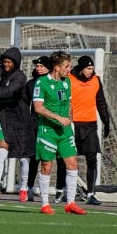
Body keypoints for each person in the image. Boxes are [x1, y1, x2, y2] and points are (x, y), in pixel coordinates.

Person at [33, 51, 87, 215]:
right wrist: (58, 118)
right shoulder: (41, 83)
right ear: (56, 68)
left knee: (72, 164)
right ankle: (44, 204)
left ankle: (70, 203)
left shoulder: (67, 82)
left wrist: (70, 120)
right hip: (47, 131)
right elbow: (38, 108)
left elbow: (69, 103)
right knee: (47, 167)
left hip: (65, 132)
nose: (69, 69)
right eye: (67, 66)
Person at [55, 55, 111, 206]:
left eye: (92, 68)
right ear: (80, 68)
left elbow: (101, 102)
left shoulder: (96, 80)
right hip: (72, 125)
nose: (90, 71)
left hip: (90, 125)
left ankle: (91, 193)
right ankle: (60, 190)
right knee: (64, 160)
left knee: (92, 159)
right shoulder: (69, 79)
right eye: (88, 68)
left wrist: (106, 121)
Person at [0, 47, 33, 202]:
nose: (6, 64)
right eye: (4, 61)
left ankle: (23, 188)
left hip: (21, 121)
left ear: (16, 63)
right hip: (5, 119)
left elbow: (6, 92)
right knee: (1, 154)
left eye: (9, 62)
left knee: (23, 158)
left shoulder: (20, 77)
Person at [25, 56, 50, 201]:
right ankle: (29, 188)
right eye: (37, 66)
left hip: (52, 126)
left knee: (53, 160)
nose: (38, 68)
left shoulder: (57, 83)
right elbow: (25, 104)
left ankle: (61, 190)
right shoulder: (31, 84)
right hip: (36, 126)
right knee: (34, 159)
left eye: (41, 66)